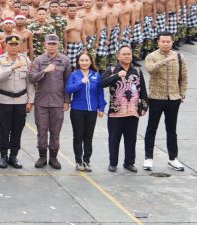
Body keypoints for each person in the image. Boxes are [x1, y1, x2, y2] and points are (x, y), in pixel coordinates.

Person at [143, 32, 188, 171]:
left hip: (173, 98)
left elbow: (184, 77)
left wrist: (182, 94)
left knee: (171, 130)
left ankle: (173, 159)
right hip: (156, 97)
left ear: (172, 42)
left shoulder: (179, 57)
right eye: (163, 41)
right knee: (152, 128)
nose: (166, 44)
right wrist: (165, 61)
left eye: (168, 41)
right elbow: (150, 69)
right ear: (158, 42)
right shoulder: (151, 56)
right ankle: (148, 158)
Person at [101, 45, 148, 173]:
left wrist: (144, 106)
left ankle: (129, 162)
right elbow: (101, 83)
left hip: (133, 111)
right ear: (118, 56)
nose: (127, 56)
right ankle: (113, 163)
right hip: (116, 111)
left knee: (131, 139)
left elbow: (143, 90)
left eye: (129, 54)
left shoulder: (137, 71)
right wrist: (117, 75)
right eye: (124, 54)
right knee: (114, 138)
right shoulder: (111, 70)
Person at [29, 33, 71, 169]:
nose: (51, 46)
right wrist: (44, 71)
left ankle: (53, 157)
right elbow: (32, 78)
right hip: (41, 102)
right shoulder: (39, 60)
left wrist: (67, 100)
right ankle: (42, 157)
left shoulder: (64, 60)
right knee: (42, 130)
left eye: (54, 44)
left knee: (55, 130)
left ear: (57, 45)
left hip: (58, 102)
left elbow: (67, 81)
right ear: (45, 45)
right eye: (49, 43)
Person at [0, 35, 34, 169]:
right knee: (4, 129)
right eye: (11, 44)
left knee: (18, 129)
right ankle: (3, 156)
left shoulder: (25, 60)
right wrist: (12, 67)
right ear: (6, 46)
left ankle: (14, 155)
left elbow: (29, 82)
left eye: (16, 45)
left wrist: (30, 101)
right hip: (5, 100)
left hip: (21, 100)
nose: (14, 47)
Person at [64, 50, 106, 171]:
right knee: (78, 136)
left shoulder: (95, 75)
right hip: (77, 110)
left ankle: (87, 160)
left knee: (88, 137)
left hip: (91, 110)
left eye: (86, 60)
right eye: (81, 60)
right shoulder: (74, 75)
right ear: (78, 62)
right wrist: (80, 83)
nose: (84, 62)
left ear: (91, 61)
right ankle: (78, 161)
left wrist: (101, 108)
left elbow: (100, 92)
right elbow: (68, 89)